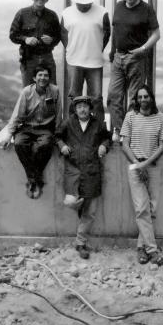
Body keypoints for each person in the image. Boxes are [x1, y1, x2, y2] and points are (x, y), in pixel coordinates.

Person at [56, 95, 111, 259]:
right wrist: (62, 145)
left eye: (85, 106)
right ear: (75, 109)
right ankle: (81, 208)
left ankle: (80, 243)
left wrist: (103, 145)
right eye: (79, 106)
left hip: (92, 171)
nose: (82, 109)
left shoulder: (98, 124)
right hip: (73, 170)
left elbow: (107, 138)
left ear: (90, 108)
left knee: (91, 211)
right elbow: (57, 136)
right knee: (71, 201)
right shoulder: (69, 122)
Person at [107, 0, 160, 141]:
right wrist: (112, 50)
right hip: (118, 56)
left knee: (134, 96)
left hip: (136, 58)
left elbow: (156, 34)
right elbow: (115, 30)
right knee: (114, 94)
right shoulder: (118, 6)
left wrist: (143, 49)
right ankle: (117, 129)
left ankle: (128, 131)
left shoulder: (146, 9)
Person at [121, 84, 163, 266]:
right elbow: (125, 144)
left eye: (145, 97)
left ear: (151, 98)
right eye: (139, 97)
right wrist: (138, 165)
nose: (142, 100)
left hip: (153, 166)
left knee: (152, 209)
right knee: (141, 208)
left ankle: (141, 247)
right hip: (135, 166)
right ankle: (152, 251)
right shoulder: (130, 116)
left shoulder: (161, 118)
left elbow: (162, 145)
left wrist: (146, 165)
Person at [1, 65, 62, 199]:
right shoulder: (26, 92)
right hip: (27, 127)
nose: (43, 78)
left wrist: (59, 137)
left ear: (49, 78)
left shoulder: (55, 91)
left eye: (46, 75)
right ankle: (36, 179)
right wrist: (9, 135)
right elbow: (17, 115)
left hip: (45, 128)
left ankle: (31, 180)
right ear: (34, 78)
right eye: (40, 75)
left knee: (45, 146)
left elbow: (58, 115)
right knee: (19, 144)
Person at [61, 0, 110, 123]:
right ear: (75, 1)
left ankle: (98, 129)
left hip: (95, 62)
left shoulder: (102, 12)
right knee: (73, 97)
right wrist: (70, 48)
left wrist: (97, 47)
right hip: (74, 61)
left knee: (96, 98)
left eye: (86, 2)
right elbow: (63, 34)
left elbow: (107, 33)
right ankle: (72, 128)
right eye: (80, 2)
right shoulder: (66, 13)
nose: (83, 5)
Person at [10, 0, 61, 86]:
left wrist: (51, 40)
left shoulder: (52, 15)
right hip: (28, 59)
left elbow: (58, 36)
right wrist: (25, 39)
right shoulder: (22, 13)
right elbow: (13, 35)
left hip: (47, 57)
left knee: (51, 90)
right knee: (29, 90)